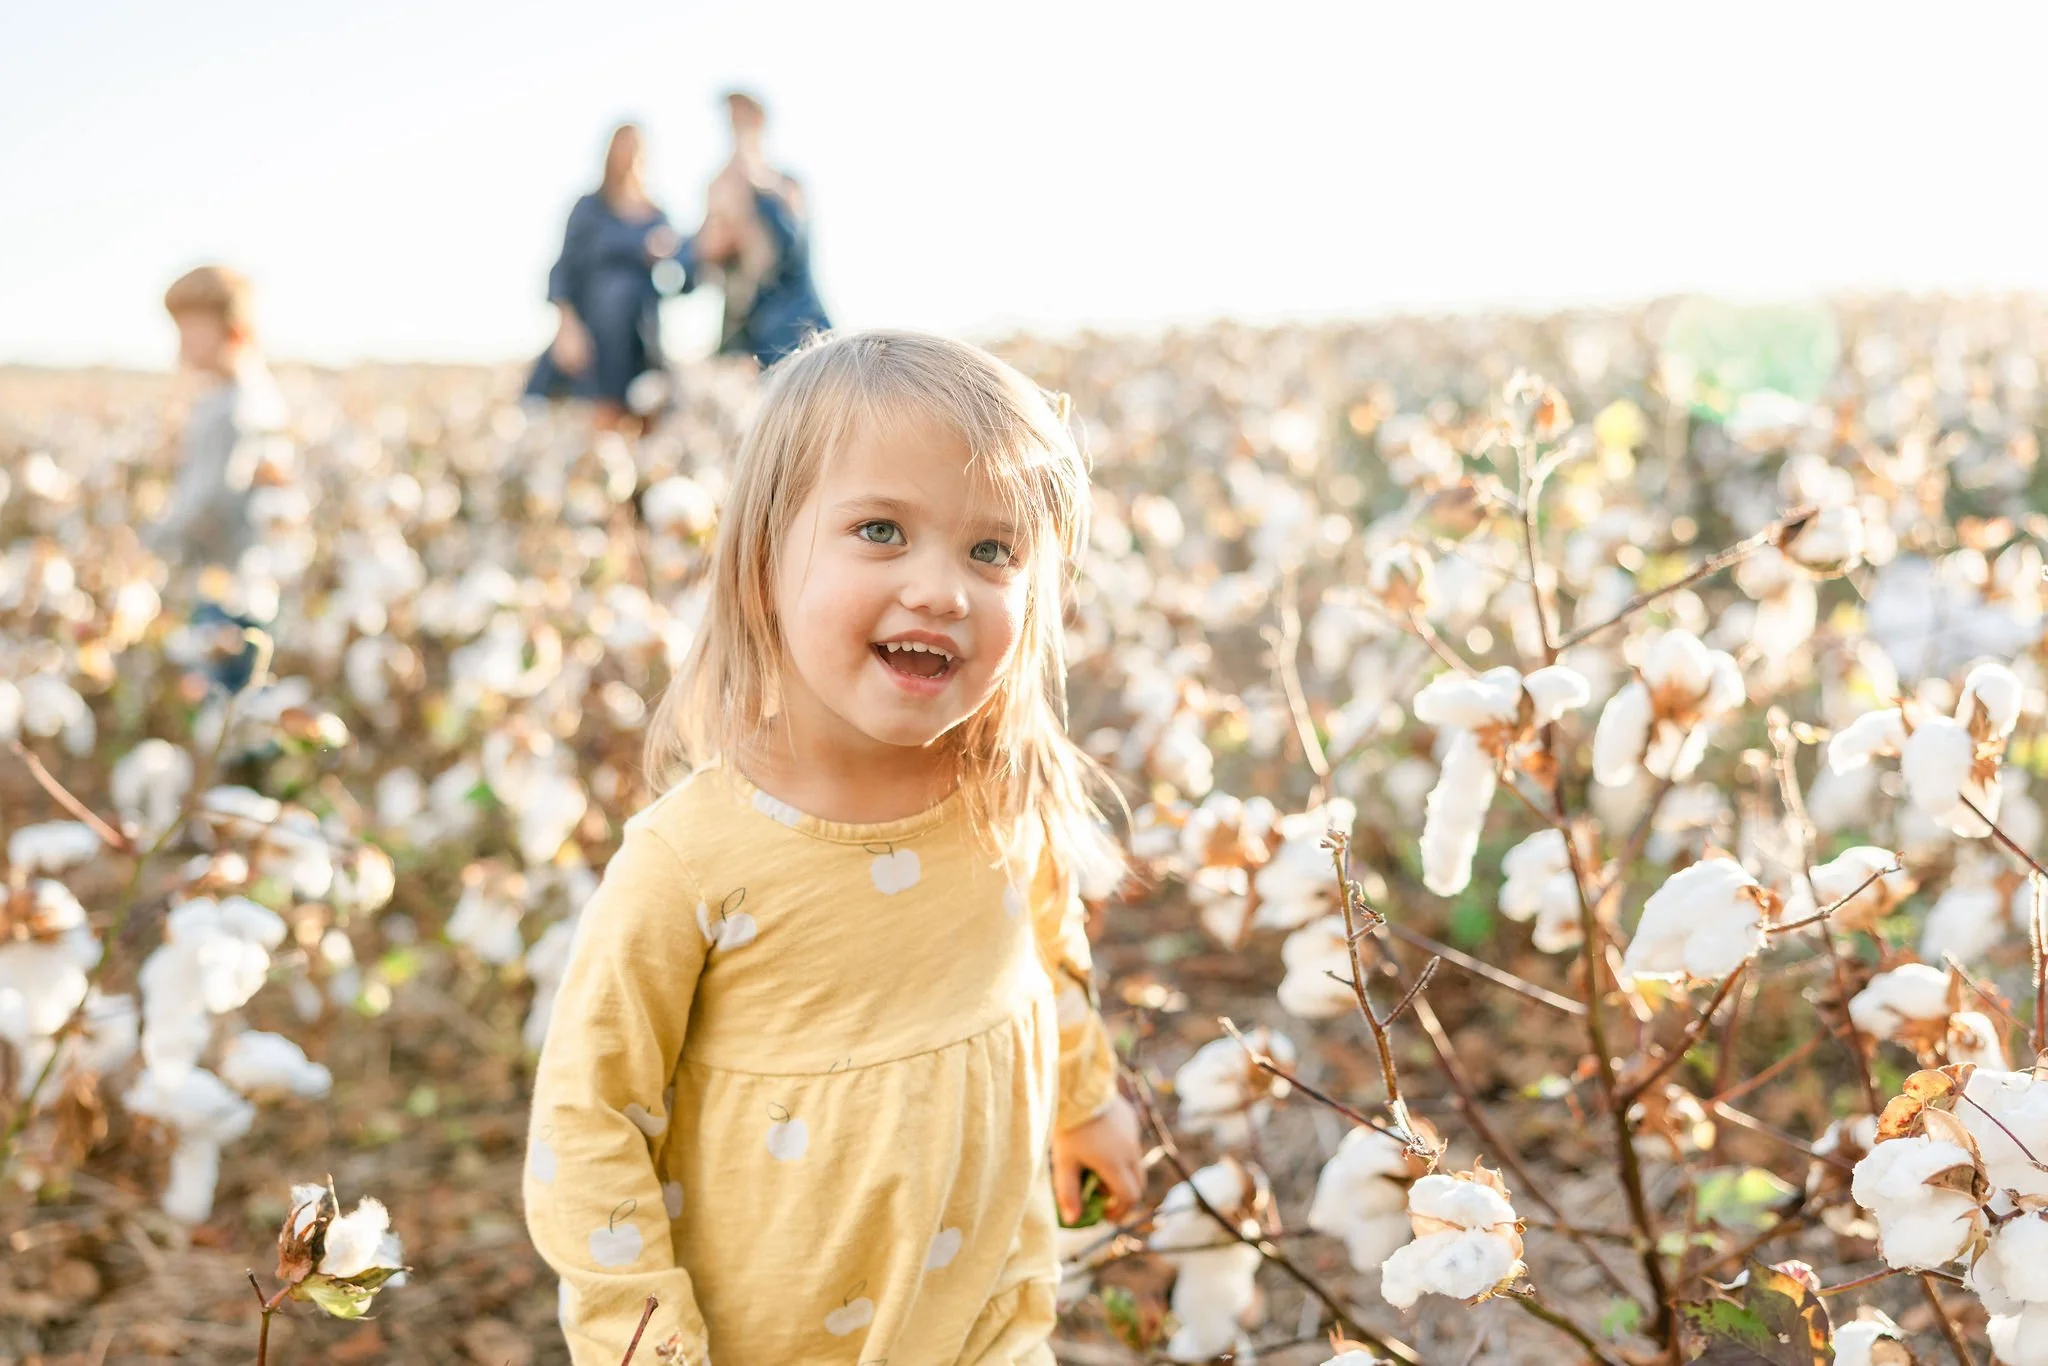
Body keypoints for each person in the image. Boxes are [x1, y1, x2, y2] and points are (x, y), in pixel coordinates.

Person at [524, 330, 1146, 1363]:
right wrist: (643, 1343)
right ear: (762, 563)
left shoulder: (1000, 795)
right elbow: (588, 1120)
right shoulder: (690, 860)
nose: (942, 590)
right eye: (880, 530)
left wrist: (1084, 1103)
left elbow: (1047, 959)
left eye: (993, 551)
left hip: (987, 1323)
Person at [153, 265, 291, 692]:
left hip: (230, 586)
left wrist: (150, 543)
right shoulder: (247, 395)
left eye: (190, 331)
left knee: (226, 697)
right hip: (241, 579)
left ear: (233, 329)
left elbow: (207, 501)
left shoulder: (235, 408)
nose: (181, 344)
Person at [527, 123, 690, 429]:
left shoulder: (657, 216)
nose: (628, 158)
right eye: (623, 150)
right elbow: (563, 269)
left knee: (648, 419)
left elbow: (679, 278)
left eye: (635, 151)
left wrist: (666, 255)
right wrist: (567, 327)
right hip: (592, 335)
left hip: (639, 339)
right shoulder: (589, 209)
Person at [698, 90, 831, 367]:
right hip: (744, 322)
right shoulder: (721, 184)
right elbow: (707, 251)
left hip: (794, 321)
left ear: (759, 121)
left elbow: (792, 241)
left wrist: (757, 186)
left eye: (742, 119)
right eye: (732, 121)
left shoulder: (786, 184)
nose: (736, 128)